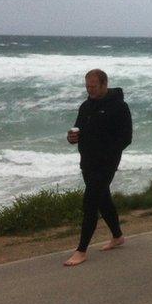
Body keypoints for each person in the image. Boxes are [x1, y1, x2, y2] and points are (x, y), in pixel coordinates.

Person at [63, 69, 132, 267]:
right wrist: (72, 138)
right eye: (87, 86)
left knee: (90, 201)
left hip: (106, 162)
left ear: (104, 84)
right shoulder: (86, 106)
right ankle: (118, 236)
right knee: (103, 199)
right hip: (87, 160)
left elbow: (126, 138)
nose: (90, 90)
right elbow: (78, 131)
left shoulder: (119, 106)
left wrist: (107, 151)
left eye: (93, 86)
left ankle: (81, 250)